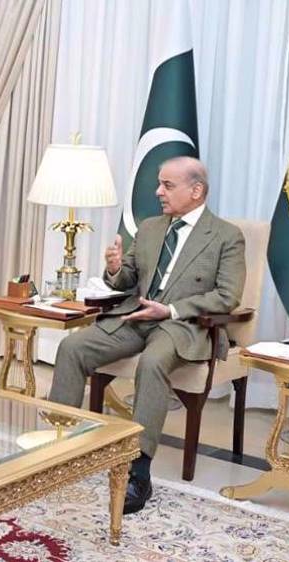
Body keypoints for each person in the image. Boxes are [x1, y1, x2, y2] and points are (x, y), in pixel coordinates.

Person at [47, 156, 245, 514]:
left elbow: (227, 296)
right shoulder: (150, 228)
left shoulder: (226, 236)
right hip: (136, 317)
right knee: (73, 346)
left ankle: (138, 471)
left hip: (183, 325)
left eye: (167, 185)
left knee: (153, 362)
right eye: (159, 183)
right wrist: (114, 268)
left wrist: (170, 310)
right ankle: (59, 449)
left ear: (196, 190)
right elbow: (127, 280)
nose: (158, 192)